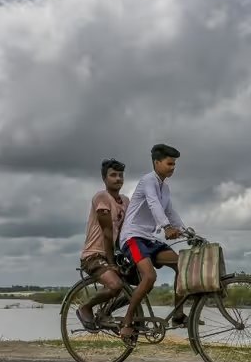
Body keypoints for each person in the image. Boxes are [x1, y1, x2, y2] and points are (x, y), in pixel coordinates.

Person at [117, 143, 187, 345]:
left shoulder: (165, 186)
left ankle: (178, 314)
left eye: (174, 164)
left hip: (149, 239)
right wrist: (165, 227)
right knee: (149, 277)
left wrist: (186, 231)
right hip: (133, 237)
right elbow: (154, 205)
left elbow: (170, 211)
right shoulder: (148, 181)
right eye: (169, 163)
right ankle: (128, 320)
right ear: (157, 162)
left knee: (182, 264)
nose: (173, 168)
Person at [76, 158, 129, 332]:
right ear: (104, 179)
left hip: (112, 253)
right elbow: (107, 233)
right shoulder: (102, 197)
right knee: (115, 285)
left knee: (140, 287)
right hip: (94, 255)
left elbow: (122, 232)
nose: (118, 178)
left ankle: (105, 314)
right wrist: (111, 262)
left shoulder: (125, 202)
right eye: (113, 175)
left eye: (120, 175)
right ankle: (85, 307)